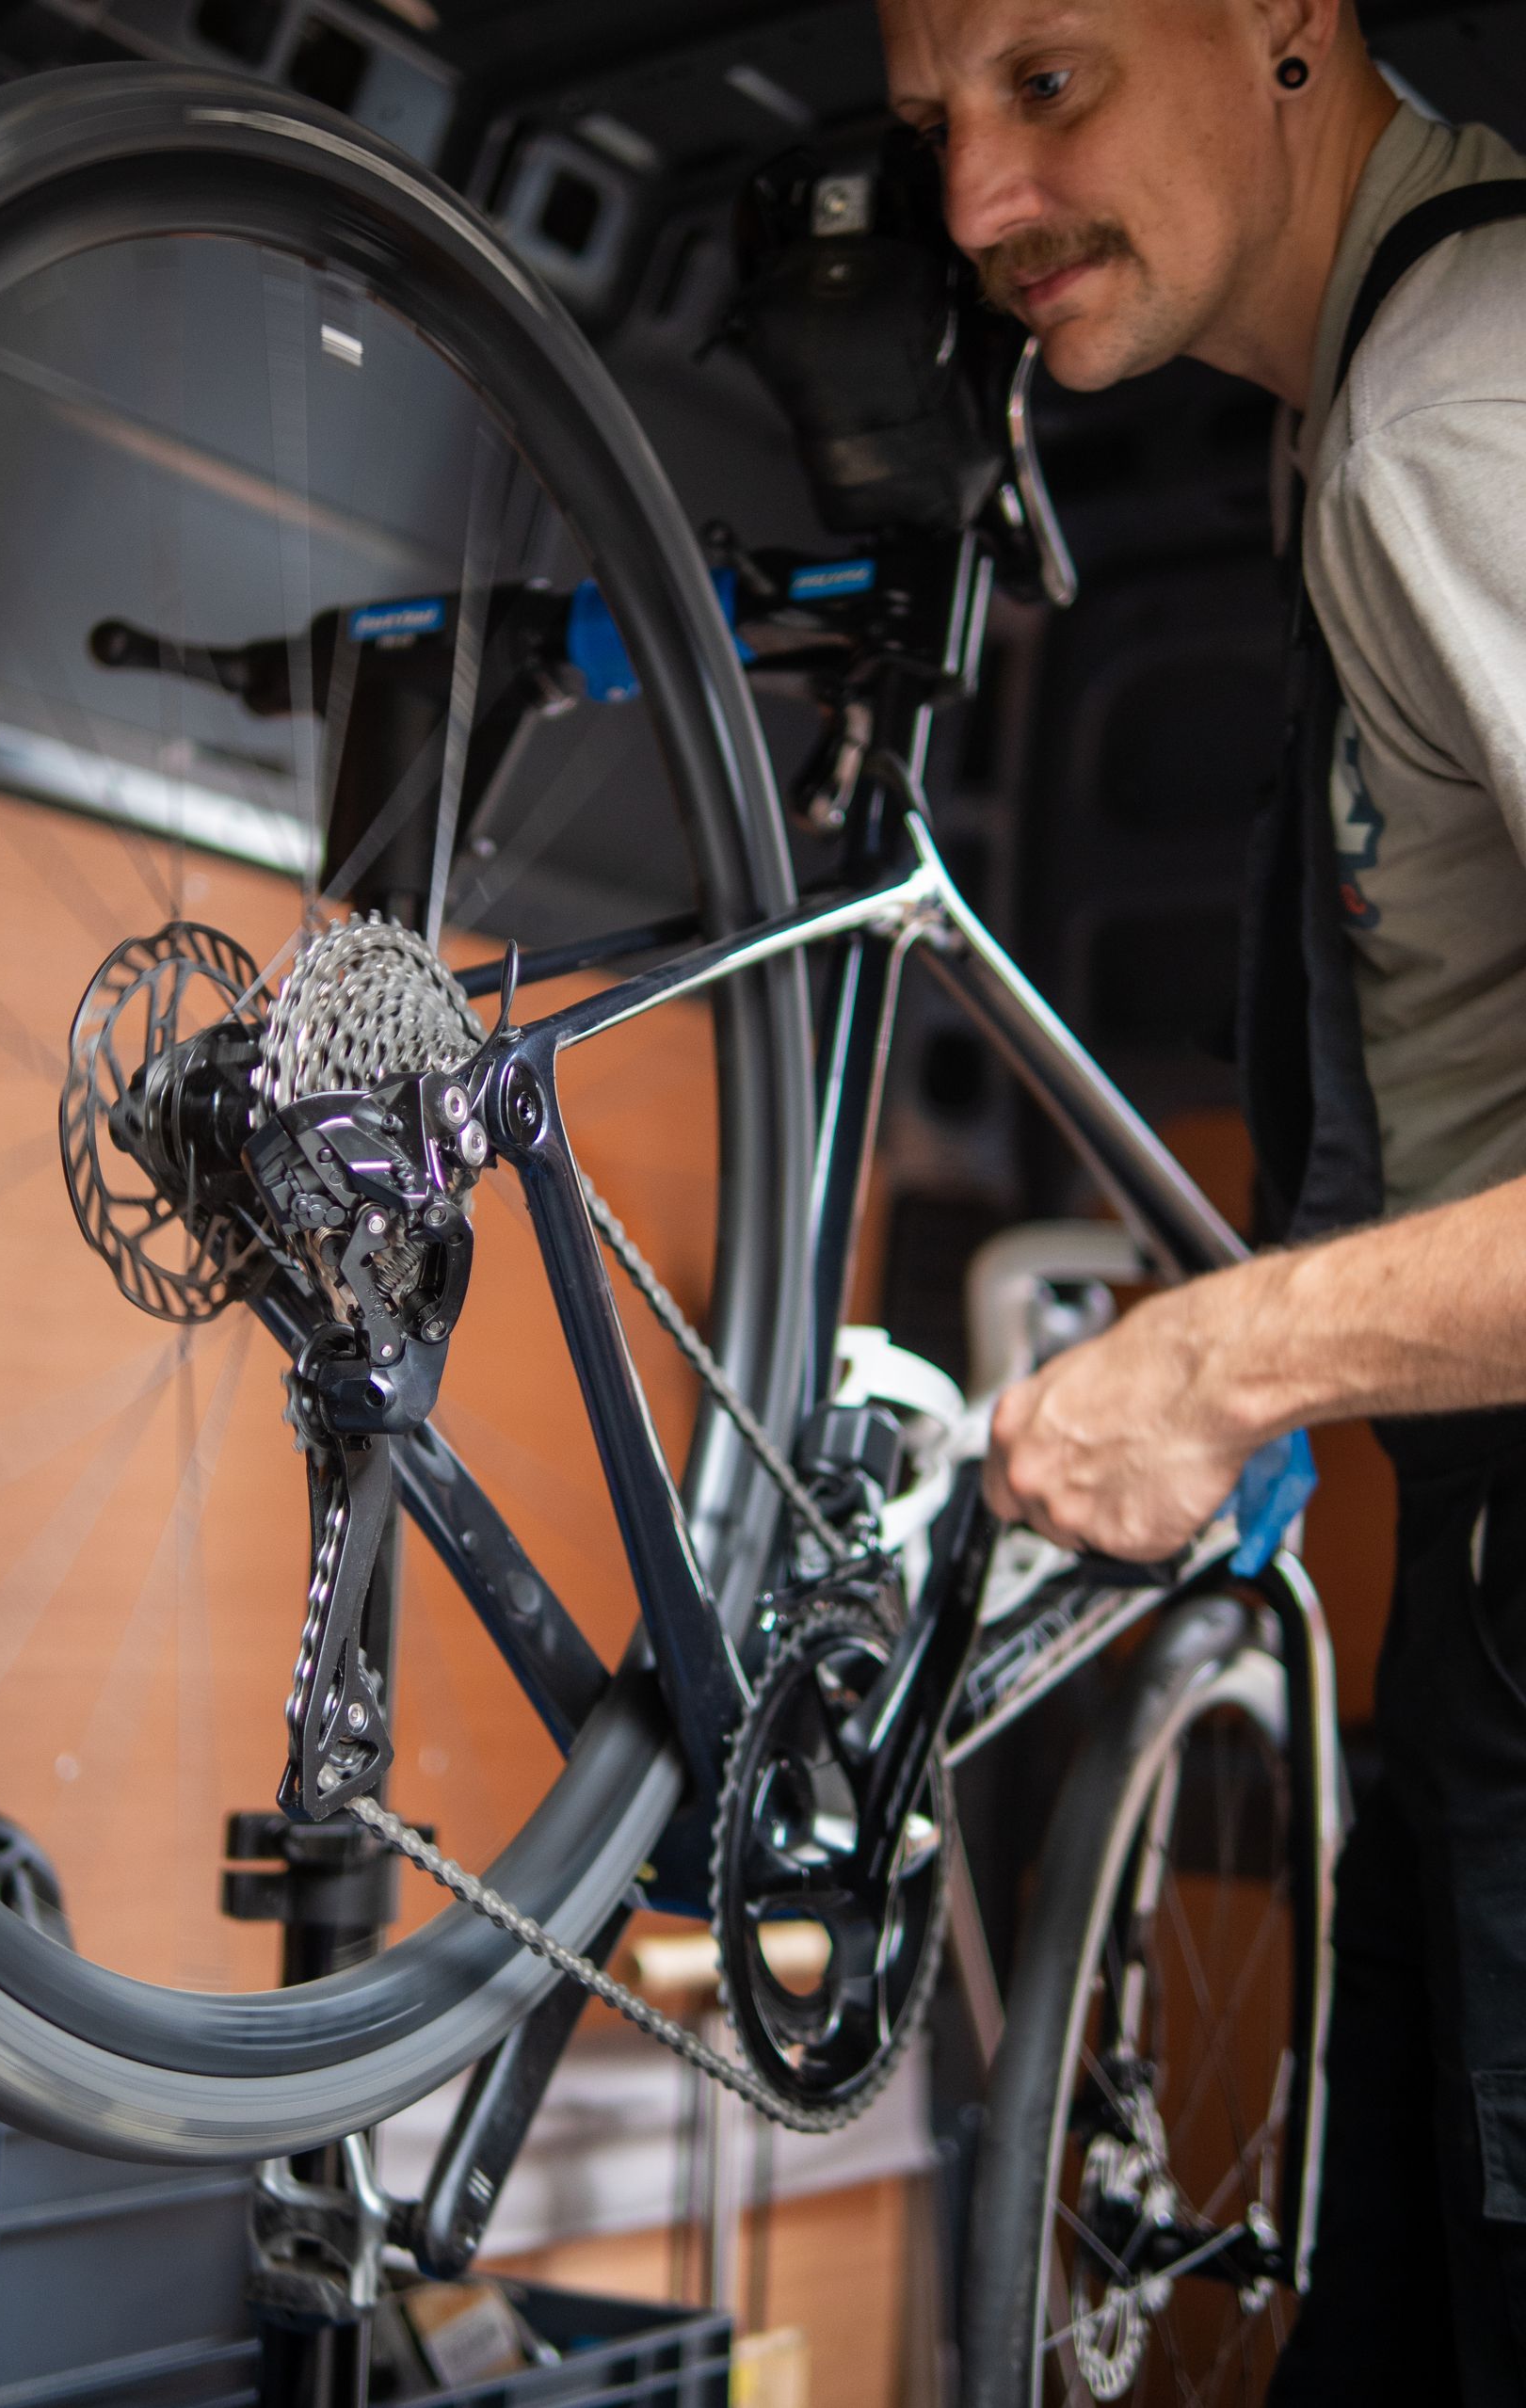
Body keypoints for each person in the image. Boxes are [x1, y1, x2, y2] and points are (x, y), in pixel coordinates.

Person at [878, 0, 1526, 2395]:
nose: (970, 202)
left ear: (1285, 25)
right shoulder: (1362, 406)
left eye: (1049, 81)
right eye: (933, 116)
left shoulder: (1459, 419)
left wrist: (1224, 1356)